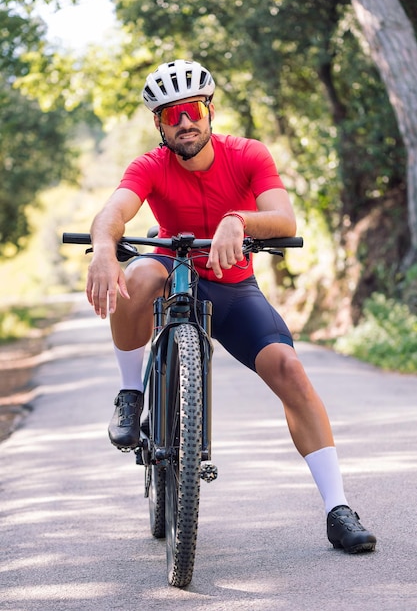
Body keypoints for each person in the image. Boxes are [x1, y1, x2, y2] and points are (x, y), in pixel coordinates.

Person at [86, 59, 376, 554]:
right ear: (159, 123)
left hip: (233, 287)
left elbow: (283, 217)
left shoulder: (248, 154)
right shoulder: (149, 166)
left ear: (210, 111)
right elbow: (115, 212)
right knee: (137, 274)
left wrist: (238, 220)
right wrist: (105, 252)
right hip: (172, 272)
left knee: (289, 367)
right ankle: (131, 394)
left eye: (193, 109)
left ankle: (337, 508)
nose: (184, 121)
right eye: (172, 113)